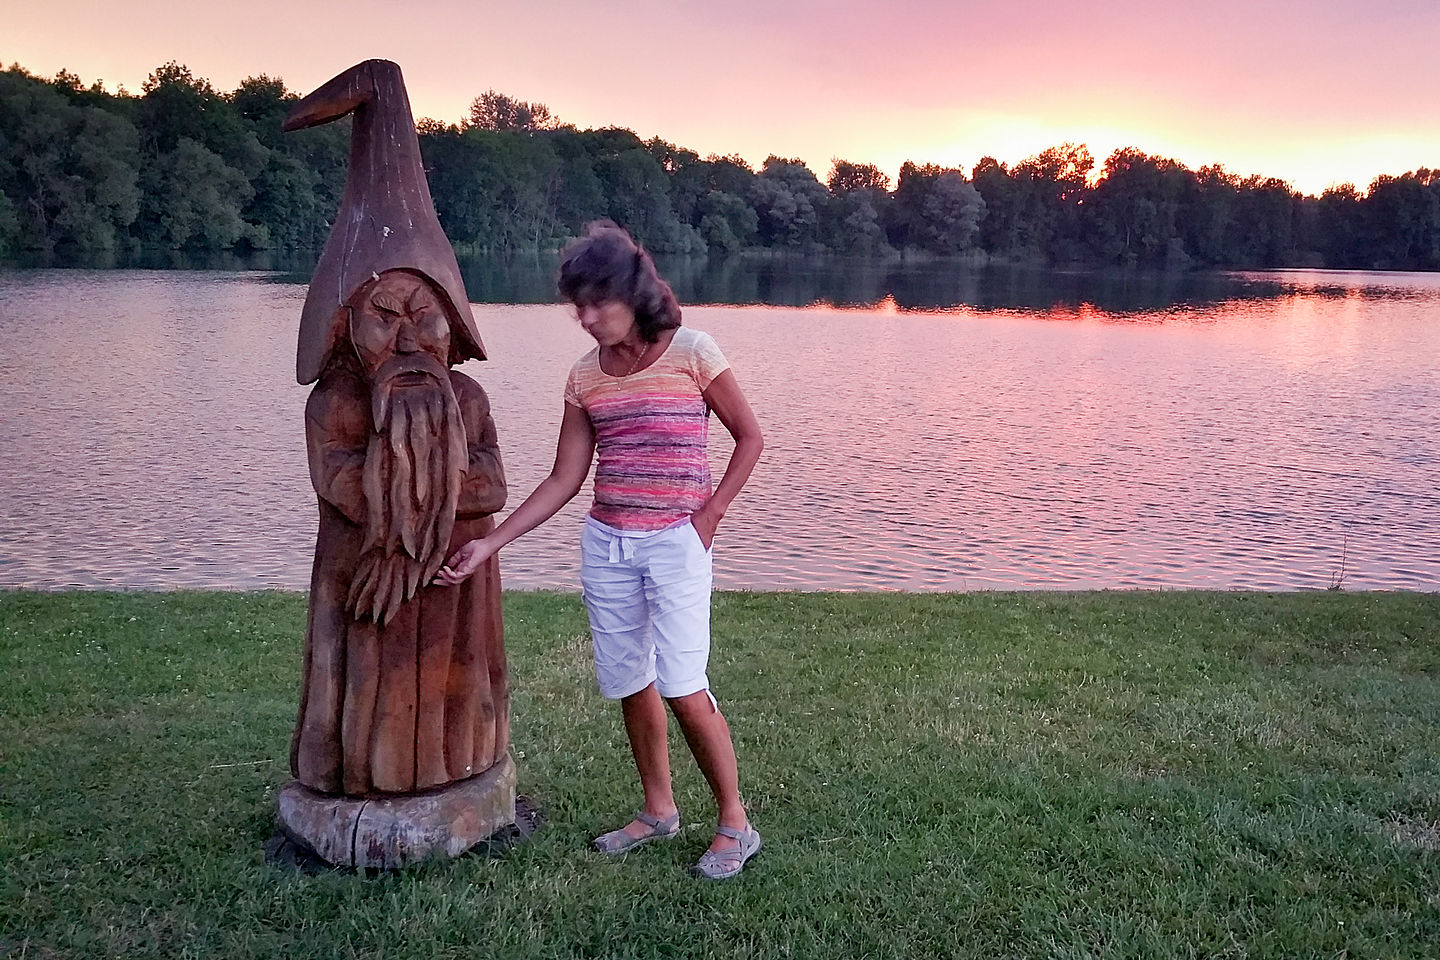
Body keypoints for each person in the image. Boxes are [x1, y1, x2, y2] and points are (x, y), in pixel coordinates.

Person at [436, 221, 765, 880]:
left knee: (682, 684)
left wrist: (709, 517)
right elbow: (565, 477)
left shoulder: (693, 351)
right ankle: (658, 810)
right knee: (629, 681)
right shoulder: (585, 376)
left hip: (676, 543)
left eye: (597, 304)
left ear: (634, 293)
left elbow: (750, 438)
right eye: (576, 306)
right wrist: (489, 544)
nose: (585, 319)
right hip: (608, 545)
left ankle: (735, 822)